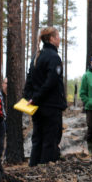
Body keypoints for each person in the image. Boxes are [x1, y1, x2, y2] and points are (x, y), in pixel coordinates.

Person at [23, 26, 67, 166]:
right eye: (58, 36)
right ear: (52, 39)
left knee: (38, 138)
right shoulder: (54, 57)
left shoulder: (36, 57)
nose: (60, 39)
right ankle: (44, 172)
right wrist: (35, 98)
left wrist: (30, 98)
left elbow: (29, 81)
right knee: (50, 139)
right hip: (50, 106)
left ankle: (33, 167)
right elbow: (51, 82)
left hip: (37, 106)